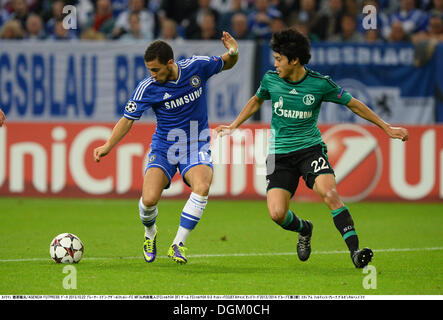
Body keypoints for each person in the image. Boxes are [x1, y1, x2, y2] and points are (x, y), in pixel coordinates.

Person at [215, 28, 409, 268]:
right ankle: (304, 228)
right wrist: (234, 125)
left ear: (294, 60)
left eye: (278, 59)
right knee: (277, 214)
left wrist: (386, 127)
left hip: (310, 150)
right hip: (280, 154)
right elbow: (257, 100)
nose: (275, 64)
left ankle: (356, 252)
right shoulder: (270, 80)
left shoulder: (320, 84)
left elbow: (355, 105)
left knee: (330, 194)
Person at [93, 32, 239, 265]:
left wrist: (233, 51)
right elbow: (127, 119)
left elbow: (226, 62)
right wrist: (108, 144)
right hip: (164, 147)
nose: (152, 75)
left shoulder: (196, 67)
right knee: (149, 199)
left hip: (196, 143)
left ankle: (177, 244)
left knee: (202, 185)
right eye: (149, 70)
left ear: (170, 63)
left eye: (156, 70)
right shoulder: (147, 87)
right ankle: (150, 234)